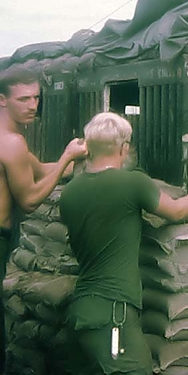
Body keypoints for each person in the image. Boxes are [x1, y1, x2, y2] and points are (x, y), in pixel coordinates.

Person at [59, 112, 188, 375]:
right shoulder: (132, 183)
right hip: (114, 313)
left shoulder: (71, 191)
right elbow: (175, 211)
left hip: (83, 307)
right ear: (124, 148)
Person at [0, 66, 88, 371]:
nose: (32, 105)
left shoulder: (10, 139)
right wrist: (66, 157)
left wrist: (78, 160)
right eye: (23, 99)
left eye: (36, 98)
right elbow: (29, 200)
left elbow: (40, 172)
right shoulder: (11, 142)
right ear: (2, 100)